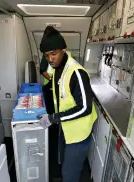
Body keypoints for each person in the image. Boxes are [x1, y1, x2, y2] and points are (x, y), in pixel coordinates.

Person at [37, 26, 97, 182]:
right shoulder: (57, 68)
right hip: (66, 128)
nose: (50, 59)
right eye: (46, 55)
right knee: (64, 165)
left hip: (78, 134)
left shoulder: (76, 73)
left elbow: (85, 108)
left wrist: (54, 118)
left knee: (70, 174)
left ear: (63, 50)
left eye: (53, 54)